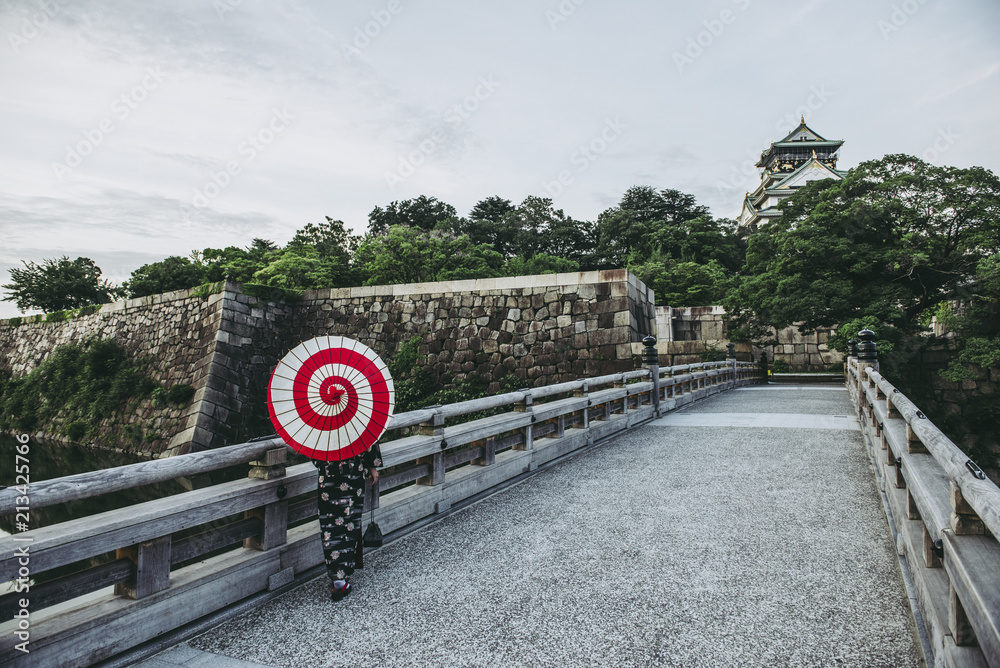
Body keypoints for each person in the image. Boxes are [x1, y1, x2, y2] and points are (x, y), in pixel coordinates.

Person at [313, 443, 382, 601]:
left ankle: (336, 577)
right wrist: (372, 467)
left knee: (329, 526)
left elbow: (313, 453)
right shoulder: (355, 420)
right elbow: (368, 441)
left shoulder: (321, 424)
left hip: (327, 476)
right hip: (352, 476)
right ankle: (342, 575)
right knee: (349, 524)